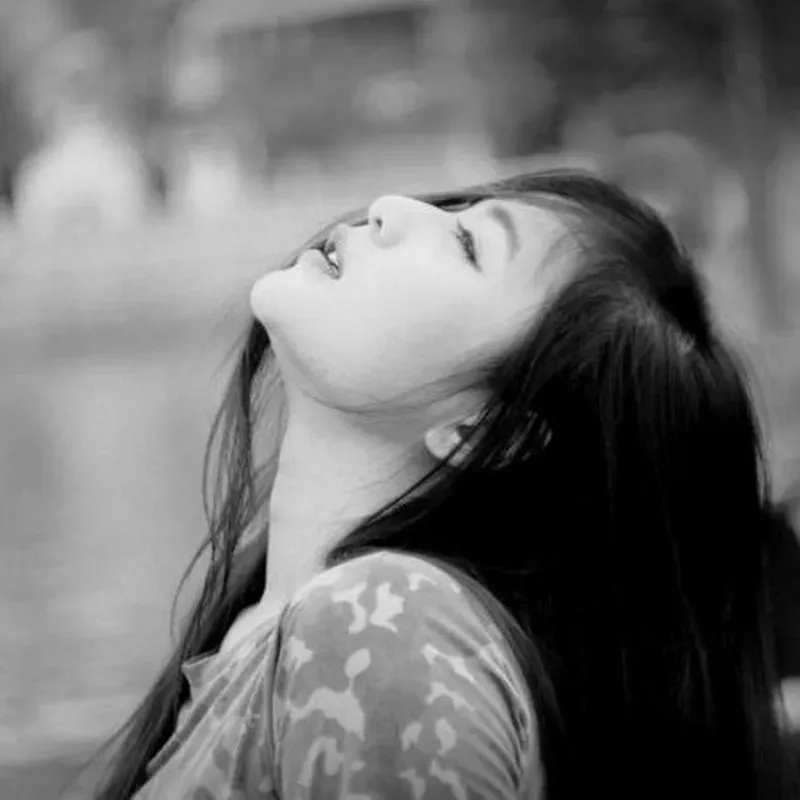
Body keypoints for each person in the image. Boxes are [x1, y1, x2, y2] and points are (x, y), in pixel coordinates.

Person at [92, 171, 798, 799]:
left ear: (488, 432)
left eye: (467, 245)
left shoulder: (378, 628)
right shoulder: (290, 629)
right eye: (460, 212)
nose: (391, 207)